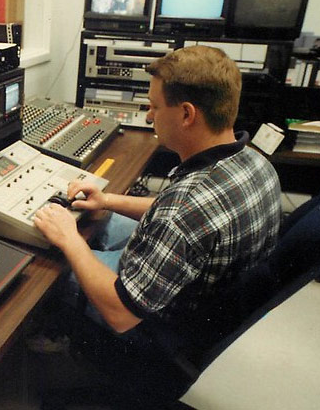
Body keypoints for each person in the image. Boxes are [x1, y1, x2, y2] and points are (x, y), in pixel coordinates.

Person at [34, 45, 282, 335]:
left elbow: (120, 314)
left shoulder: (186, 207)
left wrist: (70, 239)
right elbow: (183, 217)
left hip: (150, 320)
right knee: (102, 222)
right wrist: (107, 200)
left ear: (187, 114)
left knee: (50, 272)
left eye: (155, 106)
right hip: (205, 297)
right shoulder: (255, 161)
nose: (149, 116)